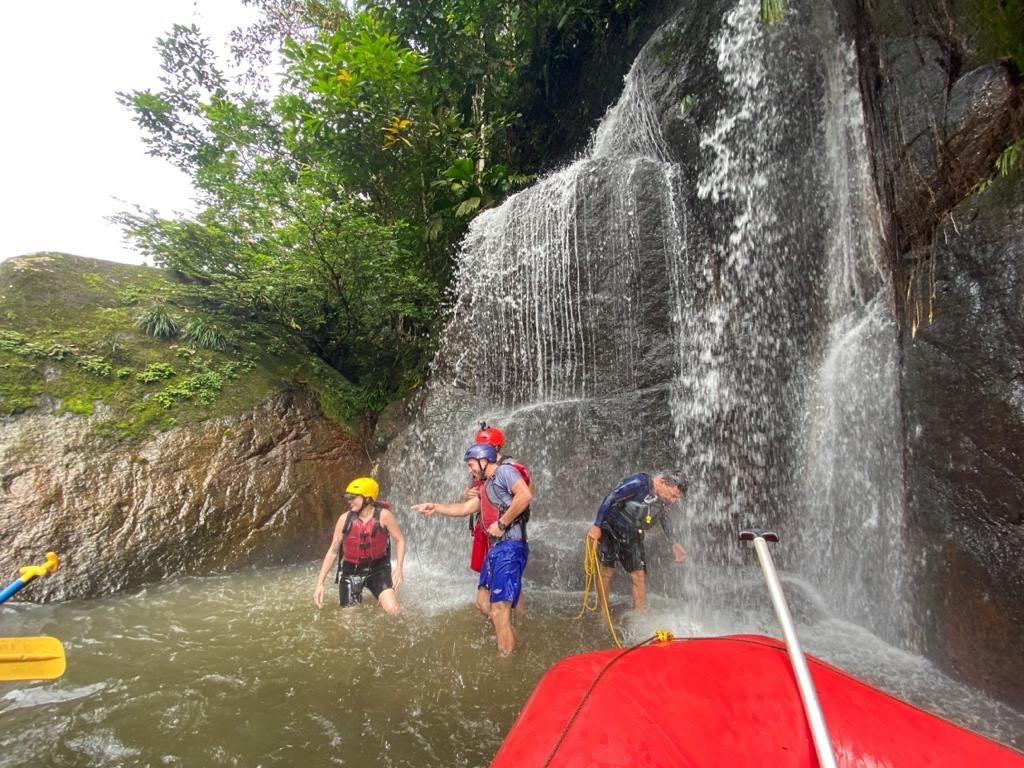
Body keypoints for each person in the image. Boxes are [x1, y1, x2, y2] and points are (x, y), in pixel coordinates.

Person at [412, 443, 532, 654]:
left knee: (499, 610)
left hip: (510, 546)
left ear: (484, 460)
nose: (470, 471)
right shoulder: (486, 485)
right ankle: (511, 640)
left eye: (471, 465)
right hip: (495, 548)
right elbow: (465, 508)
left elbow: (524, 495)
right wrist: (436, 507)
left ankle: (507, 663)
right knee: (483, 603)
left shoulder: (505, 471)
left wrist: (502, 523)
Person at [587, 471, 687, 612]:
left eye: (676, 498)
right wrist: (596, 526)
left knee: (639, 576)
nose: (673, 500)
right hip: (610, 527)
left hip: (632, 533)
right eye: (673, 495)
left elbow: (664, 518)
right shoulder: (639, 483)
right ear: (663, 483)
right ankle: (603, 612)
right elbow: (611, 497)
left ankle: (639, 617)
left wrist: (674, 543)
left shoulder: (662, 499)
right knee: (607, 572)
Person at [313, 477, 406, 615]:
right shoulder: (344, 519)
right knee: (349, 621)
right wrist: (320, 583)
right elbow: (333, 551)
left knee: (394, 611)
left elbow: (400, 540)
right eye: (348, 497)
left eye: (353, 497)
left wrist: (399, 569)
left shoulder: (384, 516)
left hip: (378, 570)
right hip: (351, 573)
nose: (349, 501)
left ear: (368, 499)